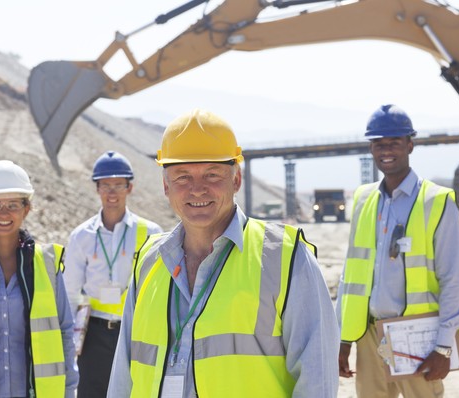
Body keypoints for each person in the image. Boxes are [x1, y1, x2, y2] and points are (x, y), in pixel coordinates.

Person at [107, 109, 339, 397]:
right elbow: (123, 375)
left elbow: (317, 378)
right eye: (182, 177)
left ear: (236, 179)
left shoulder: (285, 257)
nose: (197, 189)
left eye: (212, 174)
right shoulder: (149, 261)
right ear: (166, 185)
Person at [336, 104, 459, 398]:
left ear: (410, 144)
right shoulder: (363, 198)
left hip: (418, 335)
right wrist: (342, 339)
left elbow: (452, 279)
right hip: (368, 337)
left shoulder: (436, 201)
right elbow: (350, 275)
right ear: (371, 147)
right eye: (379, 143)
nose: (386, 150)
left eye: (394, 142)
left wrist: (444, 346)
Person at [0, 160, 78, 397]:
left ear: (26, 209)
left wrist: (69, 391)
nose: (4, 213)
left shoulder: (47, 265)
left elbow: (64, 333)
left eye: (12, 204)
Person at [63, 150, 163, 398]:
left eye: (118, 185)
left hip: (134, 331)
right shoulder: (82, 236)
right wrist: (70, 340)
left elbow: (159, 290)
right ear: (97, 188)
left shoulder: (151, 232)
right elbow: (70, 292)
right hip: (93, 334)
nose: (112, 192)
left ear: (129, 188)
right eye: (105, 185)